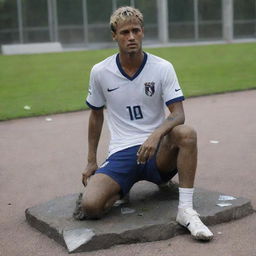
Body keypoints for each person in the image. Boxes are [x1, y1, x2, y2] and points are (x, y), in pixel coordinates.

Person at [78, 6, 213, 241]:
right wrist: (91, 160)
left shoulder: (162, 67)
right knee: (91, 206)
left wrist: (155, 135)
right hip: (122, 151)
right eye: (124, 32)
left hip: (157, 152)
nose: (131, 37)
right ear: (114, 36)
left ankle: (186, 210)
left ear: (142, 32)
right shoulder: (100, 71)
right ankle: (122, 189)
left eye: (136, 31)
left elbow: (178, 114)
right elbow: (96, 115)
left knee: (187, 133)